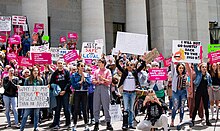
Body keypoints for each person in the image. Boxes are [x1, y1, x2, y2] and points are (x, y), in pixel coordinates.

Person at [116, 51, 146, 129]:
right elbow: (117, 65)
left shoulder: (134, 72)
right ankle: (125, 124)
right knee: (126, 109)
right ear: (126, 66)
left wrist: (143, 59)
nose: (129, 66)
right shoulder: (124, 72)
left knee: (132, 109)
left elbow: (142, 66)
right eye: (128, 65)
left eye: (131, 65)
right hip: (126, 93)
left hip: (133, 93)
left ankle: (131, 123)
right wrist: (118, 57)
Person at [20, 66, 44, 131]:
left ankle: (35, 127)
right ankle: (21, 128)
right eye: (34, 71)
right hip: (29, 100)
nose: (36, 72)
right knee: (25, 114)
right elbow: (25, 89)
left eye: (37, 71)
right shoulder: (27, 80)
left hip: (37, 100)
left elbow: (43, 90)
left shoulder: (40, 80)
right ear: (32, 72)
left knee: (36, 114)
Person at [92, 58, 113, 131]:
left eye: (100, 62)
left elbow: (109, 81)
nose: (98, 63)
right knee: (96, 106)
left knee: (106, 106)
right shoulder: (96, 71)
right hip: (97, 88)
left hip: (105, 88)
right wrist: (97, 81)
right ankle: (96, 123)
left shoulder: (107, 71)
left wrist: (103, 79)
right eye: (98, 62)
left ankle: (108, 122)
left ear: (103, 63)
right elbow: (93, 80)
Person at [49, 60, 71, 129]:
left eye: (61, 63)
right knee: (57, 109)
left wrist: (64, 90)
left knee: (66, 108)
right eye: (59, 63)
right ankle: (56, 124)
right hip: (58, 93)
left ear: (63, 64)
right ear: (57, 65)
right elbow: (51, 82)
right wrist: (51, 86)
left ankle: (68, 123)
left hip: (65, 92)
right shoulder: (55, 73)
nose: (60, 64)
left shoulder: (66, 72)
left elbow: (69, 82)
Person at [71, 62, 91, 131]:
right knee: (76, 109)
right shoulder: (74, 75)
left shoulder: (87, 74)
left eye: (83, 66)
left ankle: (86, 124)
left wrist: (84, 80)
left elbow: (89, 84)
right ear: (78, 67)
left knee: (85, 109)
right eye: (81, 66)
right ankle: (75, 124)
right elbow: (74, 85)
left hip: (84, 93)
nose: (83, 67)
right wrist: (80, 81)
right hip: (77, 92)